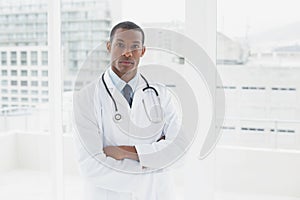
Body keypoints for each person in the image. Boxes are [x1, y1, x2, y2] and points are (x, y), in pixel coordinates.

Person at [73, 21, 184, 200]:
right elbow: (91, 166)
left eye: (134, 46)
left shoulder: (161, 93)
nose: (127, 53)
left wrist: (126, 152)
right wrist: (155, 160)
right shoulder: (86, 98)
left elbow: (179, 150)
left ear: (143, 51)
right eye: (120, 45)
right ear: (109, 47)